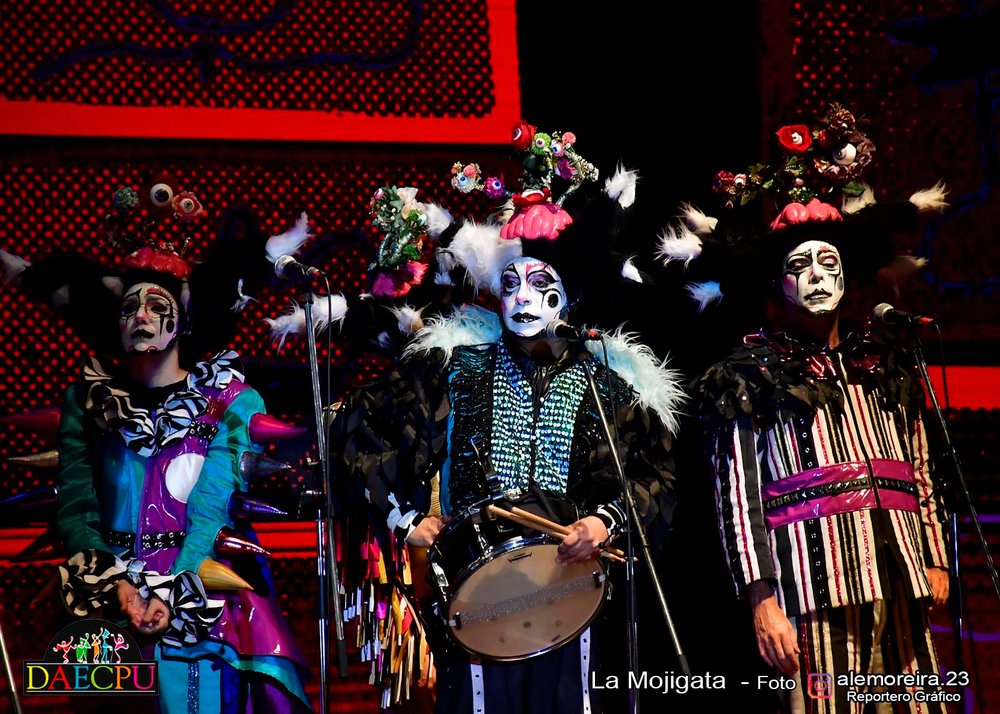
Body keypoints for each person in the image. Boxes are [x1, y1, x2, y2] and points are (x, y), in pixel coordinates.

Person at [332, 127, 682, 713]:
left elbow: (654, 475)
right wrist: (407, 518)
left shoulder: (607, 381)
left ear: (569, 296)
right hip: (478, 587)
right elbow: (359, 427)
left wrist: (604, 522)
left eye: (540, 284)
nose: (522, 297)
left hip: (574, 586)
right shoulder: (456, 366)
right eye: (511, 283)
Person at [666, 105, 952, 713]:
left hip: (901, 576)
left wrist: (933, 553)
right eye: (799, 266)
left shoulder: (883, 361)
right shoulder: (751, 373)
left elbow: (920, 465)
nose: (817, 276)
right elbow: (738, 500)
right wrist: (762, 601)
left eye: (829, 263)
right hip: (814, 586)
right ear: (778, 283)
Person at [9, 181, 312, 713]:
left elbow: (212, 504)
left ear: (182, 320)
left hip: (203, 595)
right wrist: (119, 587)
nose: (141, 316)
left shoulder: (229, 401)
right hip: (107, 597)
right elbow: (77, 506)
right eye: (130, 308)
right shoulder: (88, 402)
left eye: (156, 305)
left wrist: (176, 588)